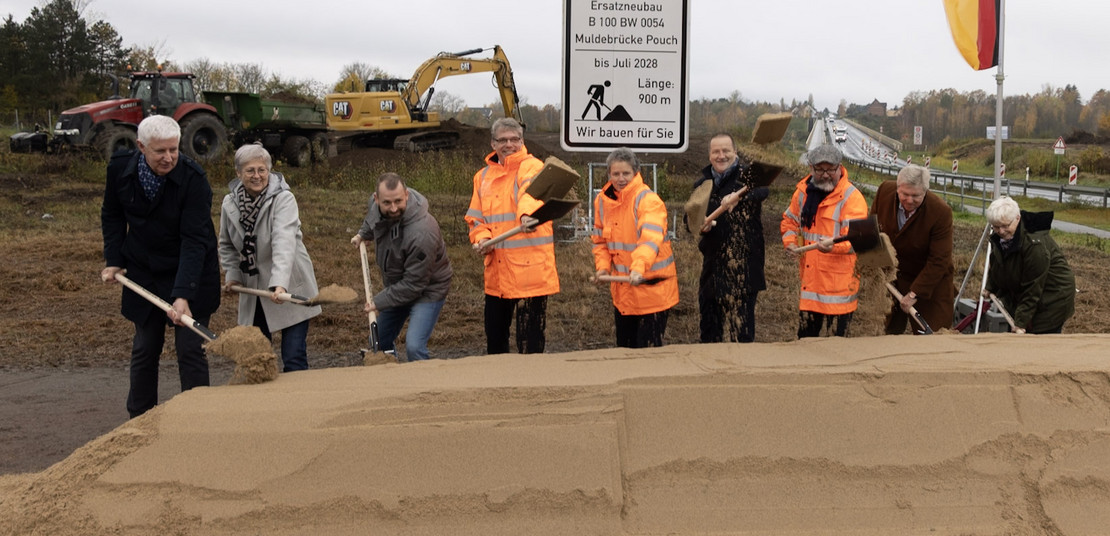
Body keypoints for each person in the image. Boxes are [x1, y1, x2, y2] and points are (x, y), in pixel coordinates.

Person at [100, 115, 221, 418]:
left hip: (191, 271)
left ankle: (198, 417)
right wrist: (114, 260)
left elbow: (195, 240)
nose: (169, 158)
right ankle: (140, 419)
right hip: (144, 271)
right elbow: (112, 214)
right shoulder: (119, 169)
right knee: (145, 347)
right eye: (160, 151)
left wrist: (183, 295)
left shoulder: (193, 179)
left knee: (190, 349)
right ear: (141, 146)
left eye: (174, 150)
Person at [218, 143, 320, 372]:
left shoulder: (283, 199)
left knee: (293, 356)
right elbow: (226, 244)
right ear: (238, 173)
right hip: (254, 290)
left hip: (289, 285)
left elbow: (284, 241)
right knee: (258, 357)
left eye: (262, 170)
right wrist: (233, 276)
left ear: (270, 171)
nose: (257, 176)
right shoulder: (229, 204)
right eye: (250, 170)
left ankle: (298, 403)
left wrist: (280, 284)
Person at [465, 117, 558, 354]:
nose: (509, 144)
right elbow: (476, 218)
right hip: (497, 270)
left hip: (530, 270)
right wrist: (481, 238)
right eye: (503, 140)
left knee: (530, 344)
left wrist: (527, 214)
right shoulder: (482, 177)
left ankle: (531, 388)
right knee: (495, 341)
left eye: (514, 139)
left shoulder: (532, 166)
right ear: (493, 144)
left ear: (522, 141)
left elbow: (530, 192)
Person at [352, 172, 453, 360]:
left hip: (428, 290)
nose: (393, 208)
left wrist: (378, 302)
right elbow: (374, 218)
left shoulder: (423, 233)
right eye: (387, 203)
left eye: (398, 201)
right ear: (376, 199)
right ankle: (392, 378)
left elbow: (414, 285)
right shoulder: (375, 206)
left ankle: (427, 386)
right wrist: (363, 234)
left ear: (406, 194)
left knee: (414, 346)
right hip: (398, 285)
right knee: (378, 341)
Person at [591, 148, 679, 348]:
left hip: (652, 292)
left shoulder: (648, 201)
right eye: (616, 174)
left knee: (647, 354)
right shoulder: (603, 202)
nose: (621, 179)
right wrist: (603, 268)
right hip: (623, 294)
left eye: (626, 174)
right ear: (609, 174)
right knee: (625, 351)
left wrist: (638, 268)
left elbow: (650, 240)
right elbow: (600, 242)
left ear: (636, 173)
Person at [780, 143, 868, 338]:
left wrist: (833, 248)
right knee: (806, 343)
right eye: (820, 169)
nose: (826, 174)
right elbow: (789, 221)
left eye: (831, 169)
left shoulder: (852, 198)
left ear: (840, 168)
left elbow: (858, 241)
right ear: (811, 168)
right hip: (810, 285)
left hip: (839, 290)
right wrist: (791, 243)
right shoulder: (802, 193)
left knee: (836, 349)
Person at [694, 133, 769, 343]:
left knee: (742, 335)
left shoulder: (747, 177)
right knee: (710, 333)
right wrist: (702, 227)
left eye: (726, 150)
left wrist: (739, 196)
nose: (721, 156)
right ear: (709, 155)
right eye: (716, 151)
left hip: (743, 268)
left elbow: (763, 189)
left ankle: (741, 374)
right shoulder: (702, 184)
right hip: (713, 268)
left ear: (735, 152)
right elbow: (690, 219)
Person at [870, 164, 955, 334]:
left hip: (928, 281)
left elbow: (939, 261)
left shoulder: (940, 212)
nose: (909, 200)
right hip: (892, 277)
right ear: (897, 188)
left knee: (932, 336)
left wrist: (914, 293)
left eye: (916, 196)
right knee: (885, 333)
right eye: (905, 194)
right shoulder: (884, 192)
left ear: (925, 191)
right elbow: (872, 231)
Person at [983, 196, 1076, 334]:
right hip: (1030, 295)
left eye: (1005, 226)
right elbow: (998, 263)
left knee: (1040, 343)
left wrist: (1020, 323)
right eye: (996, 227)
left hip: (1052, 299)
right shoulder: (1002, 239)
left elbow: (1033, 288)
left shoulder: (1035, 246)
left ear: (1017, 218)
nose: (1001, 231)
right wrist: (991, 286)